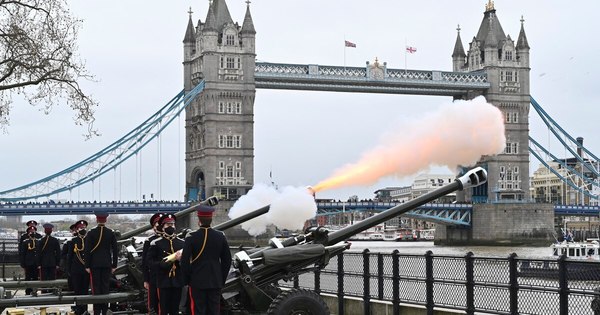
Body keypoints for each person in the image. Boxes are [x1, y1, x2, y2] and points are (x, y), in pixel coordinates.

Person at [180, 206, 231, 315]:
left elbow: (184, 262)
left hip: (196, 281)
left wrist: (188, 279)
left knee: (198, 311)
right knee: (214, 311)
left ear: (199, 220)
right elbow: (227, 260)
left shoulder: (191, 236)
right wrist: (221, 279)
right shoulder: (220, 236)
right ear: (211, 219)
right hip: (215, 281)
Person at [147, 214, 185, 315]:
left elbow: (188, 263)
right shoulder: (156, 243)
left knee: (175, 309)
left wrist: (180, 260)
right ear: (163, 227)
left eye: (172, 224)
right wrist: (162, 264)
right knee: (163, 309)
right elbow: (150, 262)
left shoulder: (182, 243)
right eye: (168, 224)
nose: (171, 226)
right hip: (163, 280)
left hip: (177, 280)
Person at [84, 212, 118, 315]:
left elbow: (87, 250)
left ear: (96, 220)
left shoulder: (91, 232)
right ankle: (104, 311)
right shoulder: (110, 232)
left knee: (96, 289)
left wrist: (87, 265)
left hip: (94, 264)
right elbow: (115, 250)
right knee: (105, 287)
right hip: (107, 263)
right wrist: (114, 265)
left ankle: (97, 312)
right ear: (106, 220)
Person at [141, 212, 164, 315]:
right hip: (153, 276)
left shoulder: (170, 239)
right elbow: (145, 261)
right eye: (157, 223)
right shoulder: (149, 240)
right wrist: (146, 279)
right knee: (153, 303)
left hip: (167, 275)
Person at [67, 220, 90, 315]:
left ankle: (84, 309)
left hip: (86, 269)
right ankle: (77, 309)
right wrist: (69, 270)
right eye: (81, 228)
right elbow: (70, 257)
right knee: (77, 291)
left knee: (85, 291)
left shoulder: (89, 239)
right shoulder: (73, 241)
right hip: (76, 269)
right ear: (77, 229)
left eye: (84, 227)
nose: (83, 229)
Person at [19, 225, 39, 295]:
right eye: (31, 232)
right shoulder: (25, 242)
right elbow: (23, 253)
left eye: (33, 232)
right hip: (28, 263)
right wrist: (23, 263)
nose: (32, 233)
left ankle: (34, 290)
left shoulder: (38, 242)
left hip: (35, 263)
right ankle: (28, 291)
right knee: (28, 277)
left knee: (35, 277)